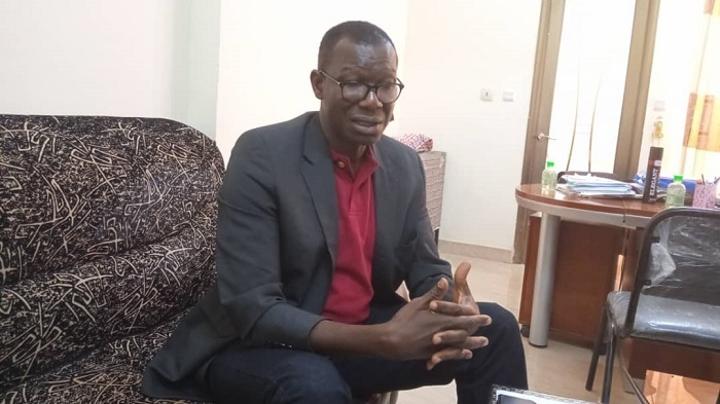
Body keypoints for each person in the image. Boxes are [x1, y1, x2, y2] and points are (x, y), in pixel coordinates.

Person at [142, 20, 527, 404]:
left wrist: (450, 305)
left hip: (362, 335)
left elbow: (426, 267)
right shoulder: (262, 154)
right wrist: (381, 339)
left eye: (385, 86)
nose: (373, 101)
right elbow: (252, 307)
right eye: (354, 83)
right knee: (315, 386)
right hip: (259, 345)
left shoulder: (404, 165)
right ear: (318, 84)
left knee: (494, 330)